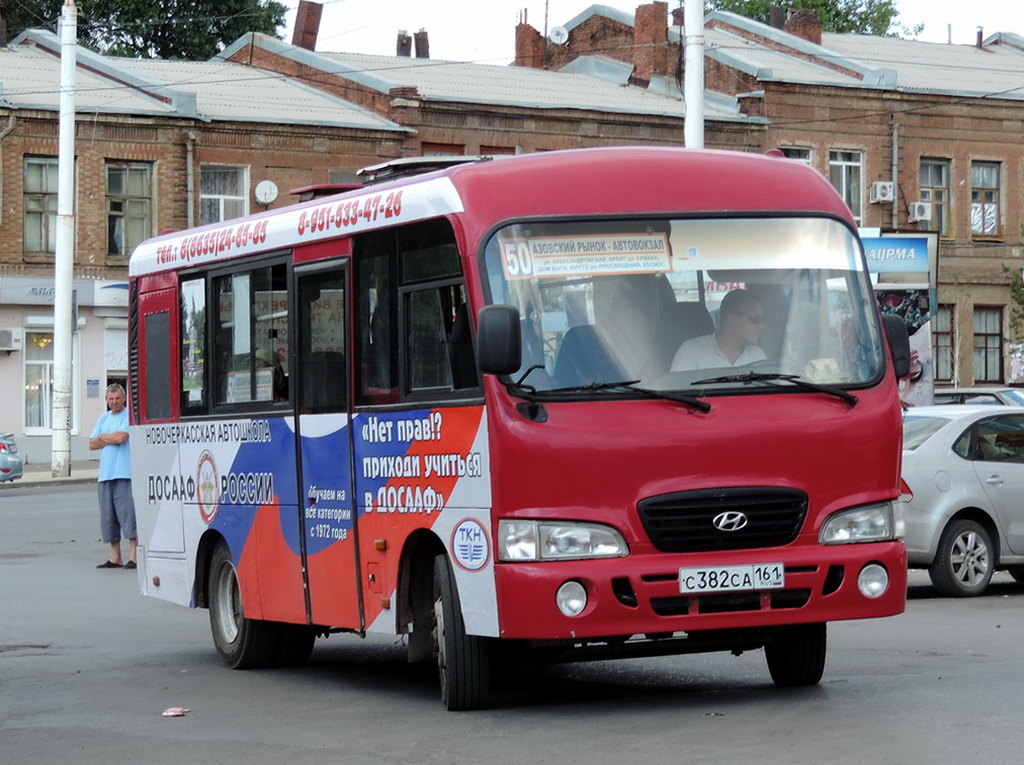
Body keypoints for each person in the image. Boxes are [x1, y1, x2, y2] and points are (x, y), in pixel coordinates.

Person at [89, 383, 137, 569]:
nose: (114, 402)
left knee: (128, 514)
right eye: (111, 399)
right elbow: (91, 444)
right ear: (106, 400)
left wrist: (103, 437)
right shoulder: (103, 418)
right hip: (106, 474)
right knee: (108, 516)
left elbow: (121, 438)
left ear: (124, 398)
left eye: (117, 398)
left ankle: (134, 556)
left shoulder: (128, 416)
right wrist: (107, 437)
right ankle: (115, 557)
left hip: (125, 472)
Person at [671, 289, 767, 371]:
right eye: (755, 318)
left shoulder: (757, 356)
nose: (761, 326)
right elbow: (674, 391)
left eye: (762, 320)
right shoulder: (691, 352)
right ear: (732, 319)